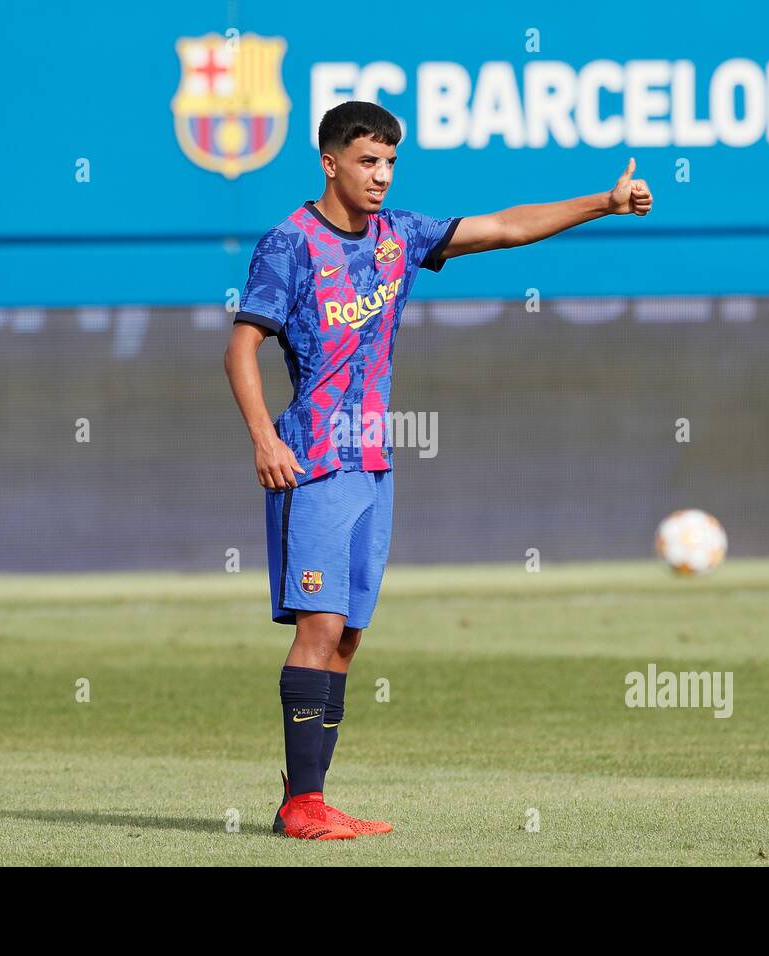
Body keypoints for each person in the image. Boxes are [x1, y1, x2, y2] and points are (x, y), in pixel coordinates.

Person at [224, 100, 653, 839]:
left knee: (350, 636)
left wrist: (603, 203)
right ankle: (301, 809)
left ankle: (308, 793)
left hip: (373, 464)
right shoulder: (289, 244)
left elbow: (506, 226)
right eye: (367, 161)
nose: (381, 175)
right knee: (320, 625)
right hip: (315, 462)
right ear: (330, 163)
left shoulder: (399, 236)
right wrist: (266, 439)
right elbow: (241, 347)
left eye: (390, 162)